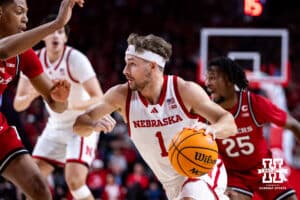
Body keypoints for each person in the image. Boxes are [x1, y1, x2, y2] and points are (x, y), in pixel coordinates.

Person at [73, 33, 237, 200]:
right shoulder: (121, 96)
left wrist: (211, 129)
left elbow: (229, 123)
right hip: (170, 185)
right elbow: (79, 124)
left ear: (151, 66)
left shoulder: (184, 91)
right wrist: (92, 126)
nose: (125, 71)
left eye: (132, 64)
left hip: (201, 170)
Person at [13, 14, 116, 200]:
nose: (55, 36)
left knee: (75, 181)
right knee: (32, 183)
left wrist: (69, 104)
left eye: (60, 32)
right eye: (51, 32)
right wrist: (33, 93)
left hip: (81, 124)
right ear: (43, 36)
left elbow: (98, 96)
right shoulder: (33, 59)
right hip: (55, 126)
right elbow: (18, 105)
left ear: (65, 38)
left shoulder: (76, 59)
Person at [0, 0, 84, 199]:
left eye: (27, 12)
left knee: (40, 190)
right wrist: (56, 24)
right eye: (19, 11)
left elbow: (57, 105)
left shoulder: (24, 54)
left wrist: (60, 98)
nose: (26, 18)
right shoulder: (8, 47)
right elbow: (3, 50)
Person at [205, 57, 300, 200]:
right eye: (208, 79)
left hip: (263, 169)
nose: (208, 84)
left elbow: (293, 125)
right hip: (233, 174)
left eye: (214, 79)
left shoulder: (254, 103)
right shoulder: (205, 110)